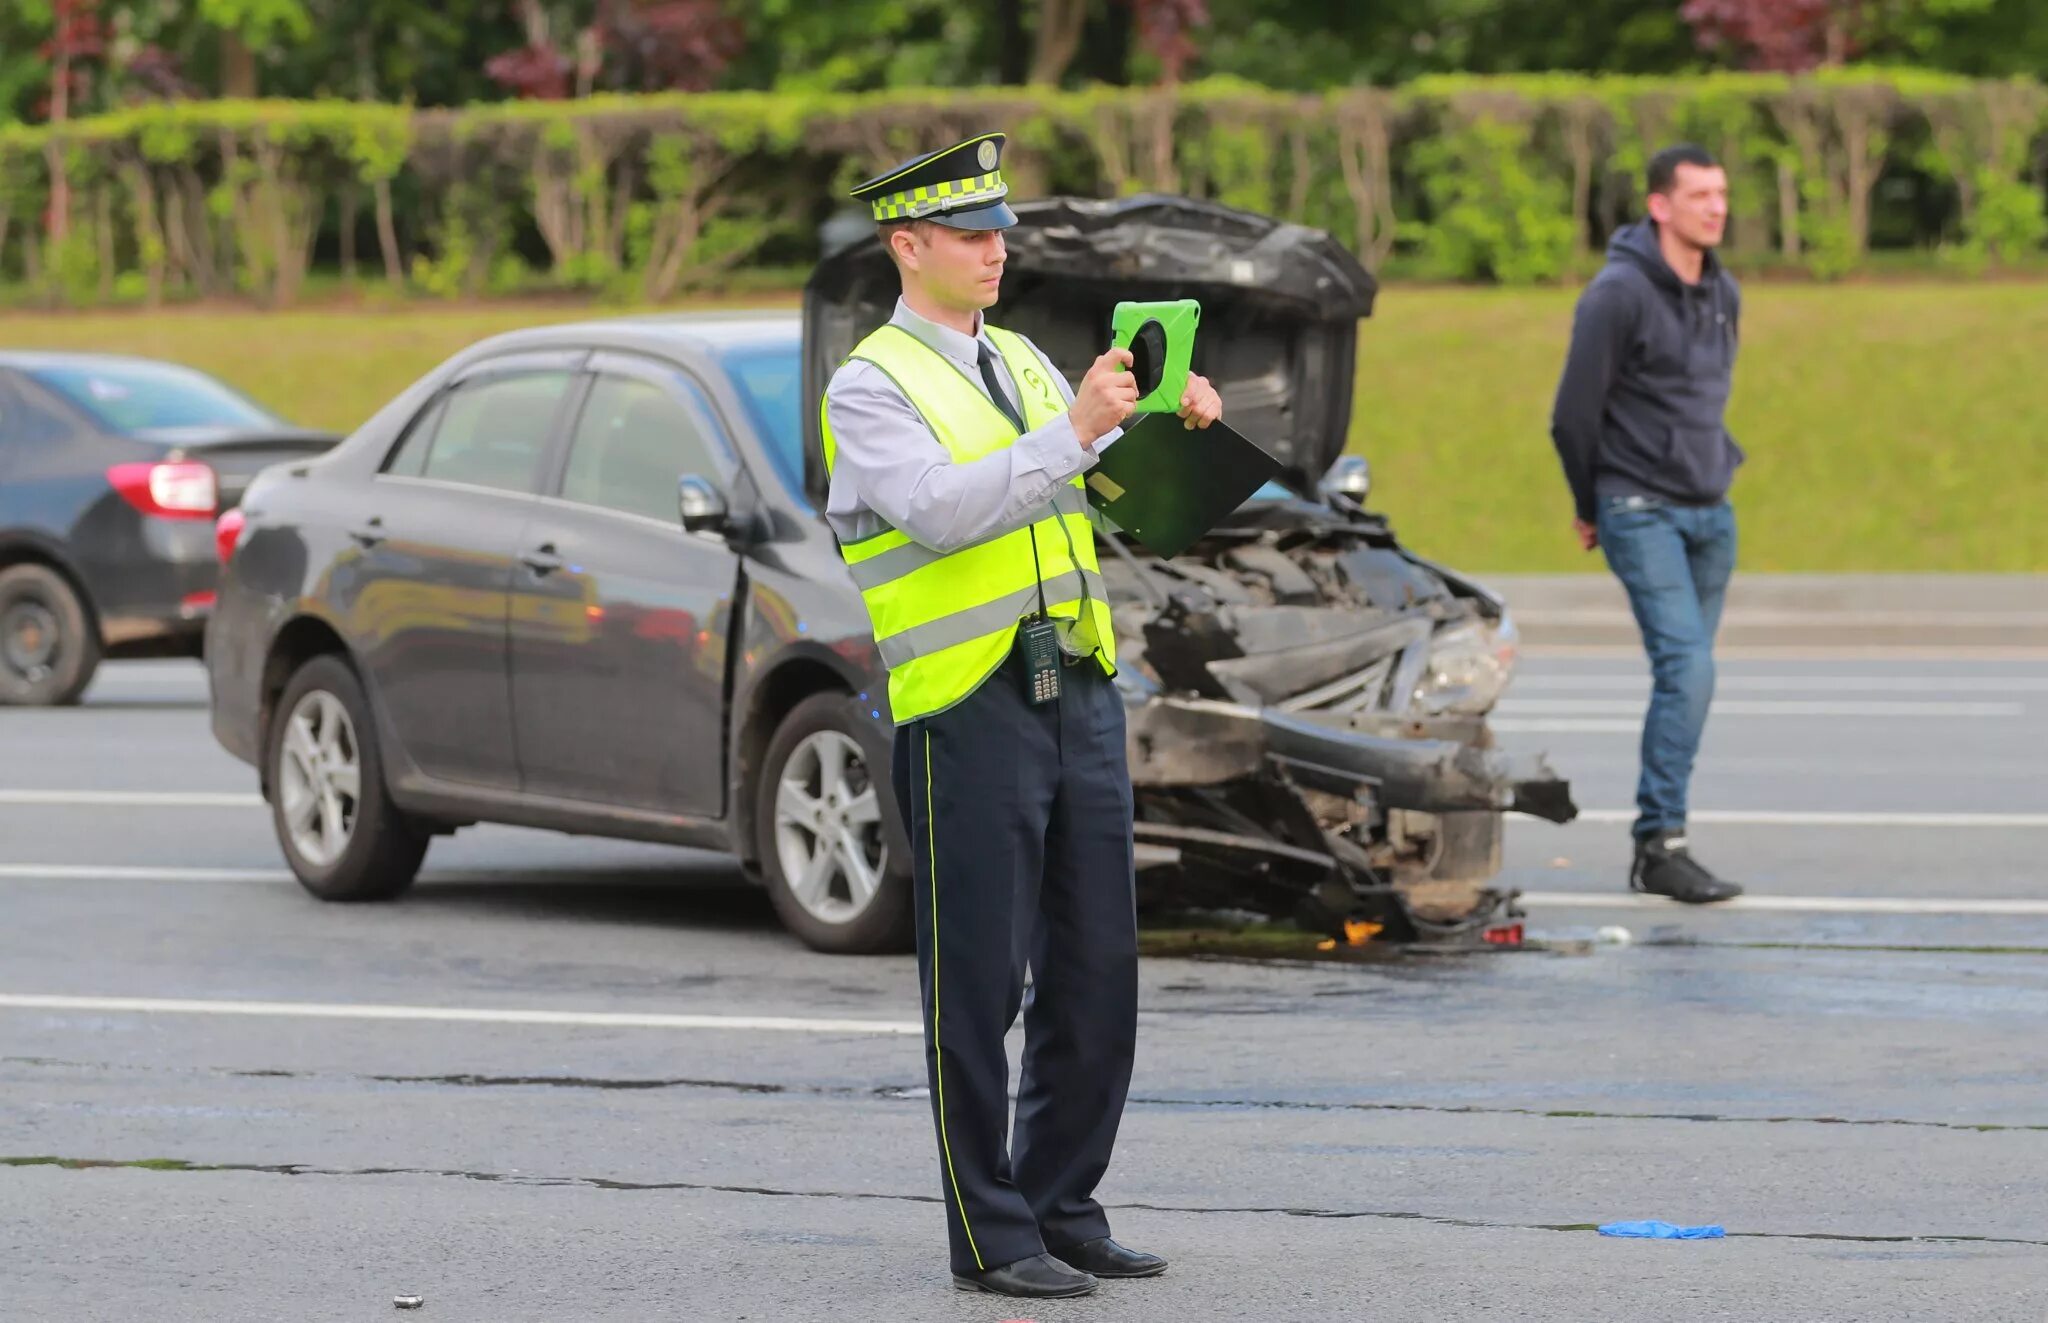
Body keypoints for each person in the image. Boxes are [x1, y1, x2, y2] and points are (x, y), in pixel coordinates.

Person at [820, 131, 1223, 1298]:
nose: (997, 251)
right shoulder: (871, 384)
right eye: (971, 234)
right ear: (909, 246)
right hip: (964, 705)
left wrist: (1179, 425)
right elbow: (942, 514)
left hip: (1076, 684)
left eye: (1002, 232)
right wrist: (1081, 430)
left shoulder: (1031, 363)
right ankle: (989, 1229)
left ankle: (1062, 1203)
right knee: (979, 981)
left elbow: (1126, 509)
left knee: (1098, 967)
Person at [1549, 143, 1744, 905]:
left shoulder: (1723, 289)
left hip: (1710, 509)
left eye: (1721, 193)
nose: (1716, 207)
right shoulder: (1616, 294)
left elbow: (1700, 397)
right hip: (1639, 506)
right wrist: (1590, 503)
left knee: (1686, 680)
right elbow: (1570, 416)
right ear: (1660, 205)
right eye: (1699, 194)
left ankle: (1661, 838)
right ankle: (1660, 843)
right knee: (1689, 669)